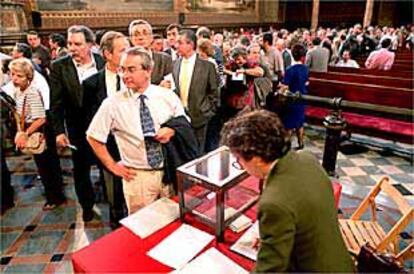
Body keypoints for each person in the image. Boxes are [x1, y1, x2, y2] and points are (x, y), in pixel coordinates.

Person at [220, 109, 354, 272]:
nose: (240, 165)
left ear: (257, 159)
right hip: (339, 261)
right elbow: (303, 216)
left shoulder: (274, 204)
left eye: (238, 160)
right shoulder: (306, 158)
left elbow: (271, 269)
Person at [86, 47, 187, 214]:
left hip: (169, 173)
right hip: (137, 178)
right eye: (122, 69)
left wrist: (171, 130)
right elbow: (93, 137)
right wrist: (112, 166)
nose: (125, 75)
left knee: (172, 224)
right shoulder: (112, 103)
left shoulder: (167, 96)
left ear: (148, 70)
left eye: (131, 70)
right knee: (143, 229)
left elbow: (184, 123)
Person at [49, 25, 105, 222]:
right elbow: (55, 104)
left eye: (78, 44)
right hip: (77, 129)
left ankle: (111, 200)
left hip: (105, 127)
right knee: (81, 171)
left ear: (90, 45)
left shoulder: (103, 61)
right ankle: (87, 206)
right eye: (70, 43)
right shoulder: (58, 67)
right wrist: (58, 132)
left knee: (107, 164)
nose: (72, 48)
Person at [82, 31, 130, 226]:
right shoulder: (91, 84)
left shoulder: (136, 78)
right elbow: (88, 120)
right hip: (108, 148)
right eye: (123, 50)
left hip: (134, 147)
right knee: (114, 195)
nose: (128, 54)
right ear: (107, 54)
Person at [9, 58, 66, 210]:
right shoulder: (18, 91)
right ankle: (53, 195)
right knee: (42, 166)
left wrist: (25, 133)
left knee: (48, 166)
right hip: (29, 128)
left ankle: (55, 197)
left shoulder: (32, 92)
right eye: (13, 74)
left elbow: (41, 119)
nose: (14, 78)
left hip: (39, 130)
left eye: (19, 75)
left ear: (28, 76)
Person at [173, 29, 219, 153]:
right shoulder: (175, 64)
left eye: (180, 42)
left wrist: (207, 111)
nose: (176, 45)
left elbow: (214, 93)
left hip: (200, 117)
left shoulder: (207, 66)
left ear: (191, 45)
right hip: (180, 117)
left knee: (199, 153)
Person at [280, 44, 309, 150]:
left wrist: (280, 90)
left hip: (291, 99)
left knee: (288, 124)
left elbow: (285, 86)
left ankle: (286, 146)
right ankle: (301, 144)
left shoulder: (290, 70)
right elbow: (306, 82)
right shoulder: (305, 69)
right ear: (303, 56)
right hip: (302, 98)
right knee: (299, 123)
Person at [128, 19, 172, 87]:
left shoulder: (165, 59)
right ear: (131, 39)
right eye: (136, 34)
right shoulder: (126, 61)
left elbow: (169, 85)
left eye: (145, 33)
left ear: (151, 37)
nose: (141, 37)